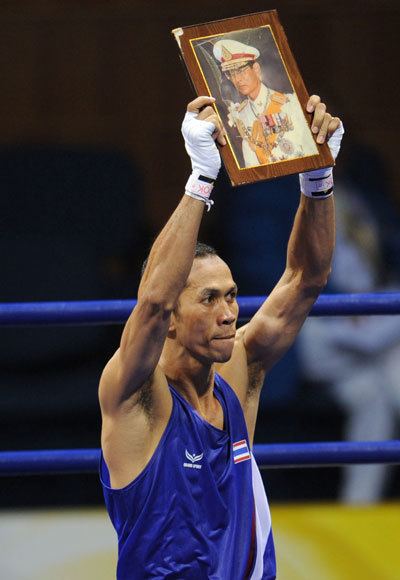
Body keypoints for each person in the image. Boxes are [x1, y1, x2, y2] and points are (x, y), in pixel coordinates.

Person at [99, 93, 343, 579]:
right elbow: (150, 304)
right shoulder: (137, 397)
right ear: (173, 317)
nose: (229, 313)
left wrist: (318, 177)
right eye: (209, 299)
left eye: (231, 297)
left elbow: (305, 279)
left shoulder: (239, 370)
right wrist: (200, 179)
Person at [213, 39, 318, 167]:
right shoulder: (241, 116)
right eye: (232, 74)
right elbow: (252, 165)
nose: (237, 79)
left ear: (256, 69)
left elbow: (313, 151)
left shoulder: (292, 102)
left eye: (240, 70)